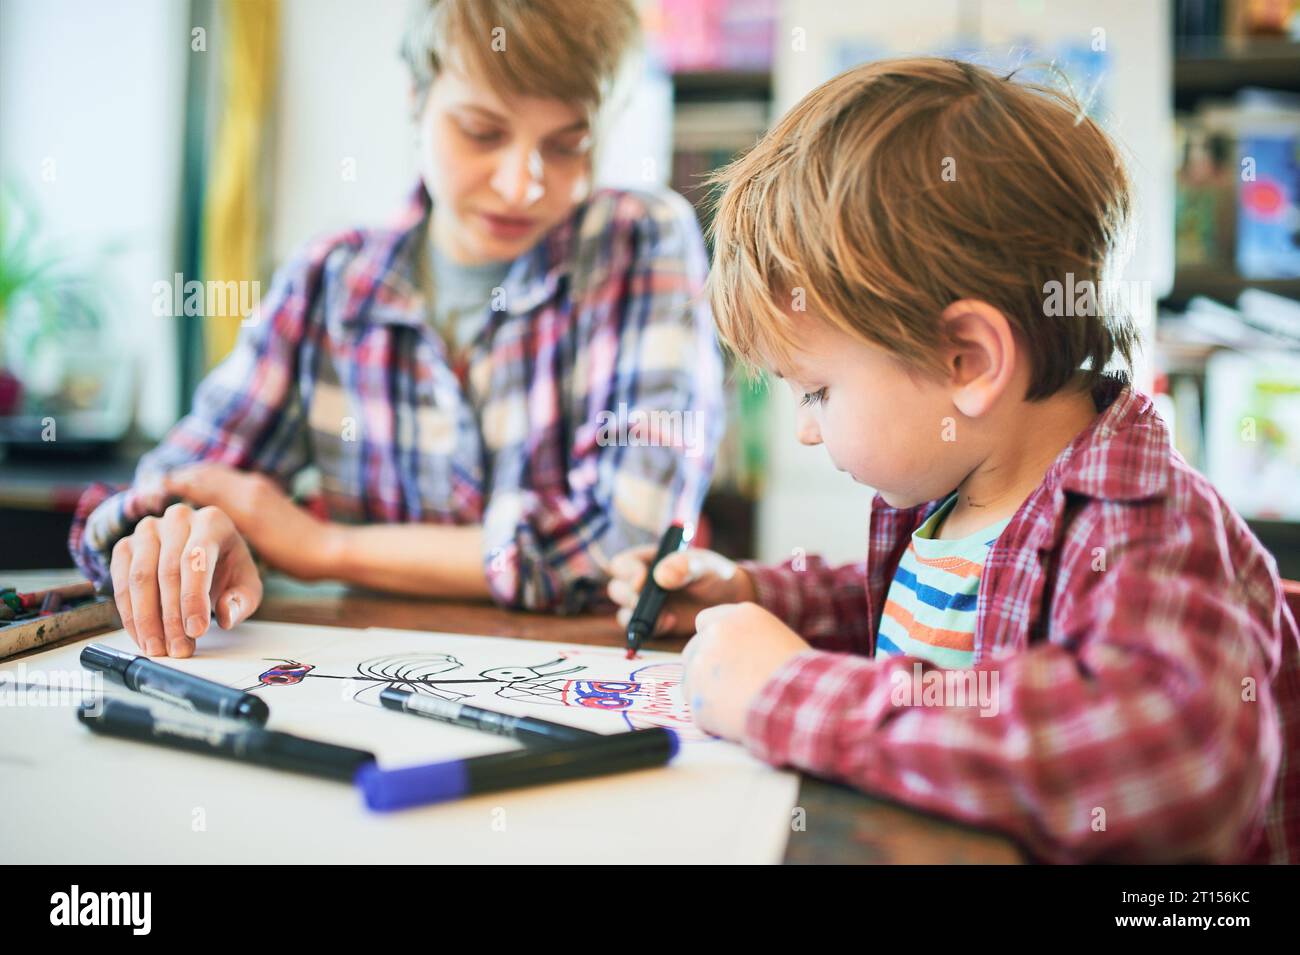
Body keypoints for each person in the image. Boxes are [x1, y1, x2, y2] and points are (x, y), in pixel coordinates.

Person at [607, 58, 1299, 863]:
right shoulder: (965, 488)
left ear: (968, 361)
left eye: (819, 391)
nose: (803, 428)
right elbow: (927, 620)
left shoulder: (1143, 523)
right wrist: (757, 592)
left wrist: (782, 691)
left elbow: (1175, 764)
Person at [69, 0, 724, 658]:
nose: (522, 184)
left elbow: (622, 539)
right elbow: (168, 486)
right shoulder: (331, 278)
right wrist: (181, 534)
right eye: (481, 131)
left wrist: (320, 546)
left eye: (567, 145)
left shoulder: (639, 240)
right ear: (417, 99)